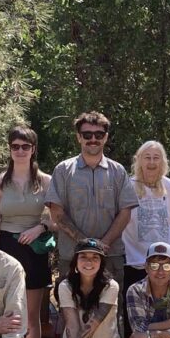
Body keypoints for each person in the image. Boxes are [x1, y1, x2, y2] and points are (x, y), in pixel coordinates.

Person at [0, 125, 54, 338]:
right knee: (8, 313)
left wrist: (39, 228)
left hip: (34, 250)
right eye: (15, 146)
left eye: (25, 146)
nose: (20, 151)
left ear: (33, 149)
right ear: (9, 149)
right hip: (6, 249)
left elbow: (56, 219)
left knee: (31, 316)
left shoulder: (46, 181)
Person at [46, 111, 138, 289]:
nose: (93, 139)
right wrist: (86, 244)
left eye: (99, 135)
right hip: (72, 256)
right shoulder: (63, 170)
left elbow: (125, 212)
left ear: (106, 137)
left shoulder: (118, 171)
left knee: (111, 304)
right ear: (79, 137)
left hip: (110, 255)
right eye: (87, 135)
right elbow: (56, 212)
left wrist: (103, 244)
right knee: (69, 303)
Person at [121, 140, 170, 290]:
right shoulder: (127, 187)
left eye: (156, 157)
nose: (151, 162)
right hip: (135, 262)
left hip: (166, 263)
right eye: (147, 157)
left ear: (163, 161)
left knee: (168, 304)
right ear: (139, 160)